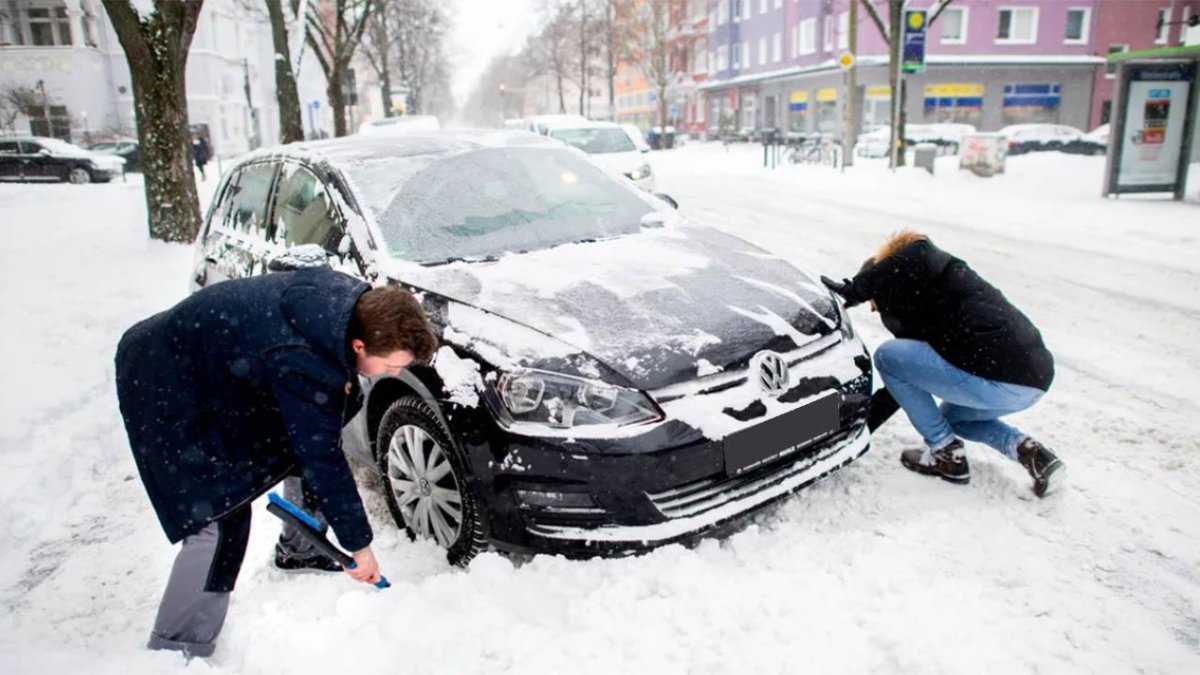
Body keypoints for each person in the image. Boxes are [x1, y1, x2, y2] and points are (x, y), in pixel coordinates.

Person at [115, 267, 438, 657]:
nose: (394, 373)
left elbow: (316, 439)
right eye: (390, 366)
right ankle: (176, 646)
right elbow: (322, 458)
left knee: (299, 443)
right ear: (358, 345)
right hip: (164, 379)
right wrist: (359, 544)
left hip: (213, 365)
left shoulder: (346, 309)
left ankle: (301, 546)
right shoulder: (303, 358)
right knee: (219, 521)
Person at [822, 231, 1065, 497]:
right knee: (954, 419)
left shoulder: (929, 263)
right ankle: (1032, 454)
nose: (873, 309)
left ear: (886, 279)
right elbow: (901, 386)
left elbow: (918, 249)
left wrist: (857, 288)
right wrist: (860, 428)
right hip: (1033, 382)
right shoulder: (933, 297)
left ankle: (946, 453)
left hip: (1000, 377)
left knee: (886, 356)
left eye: (873, 301)